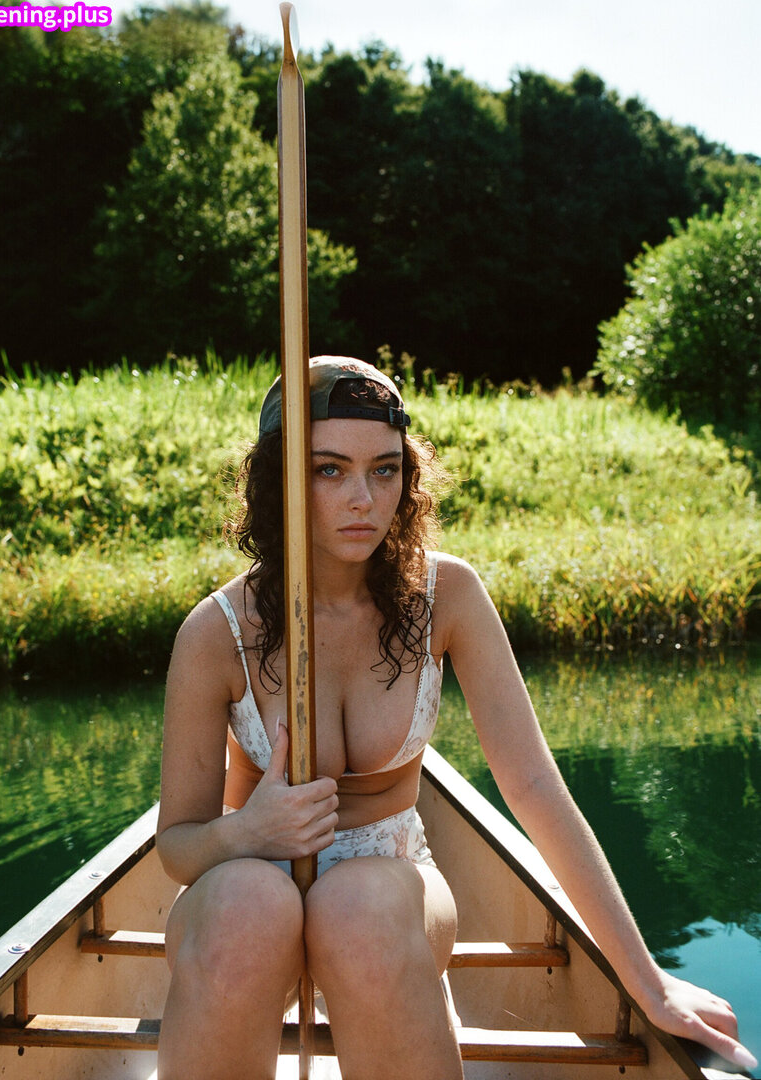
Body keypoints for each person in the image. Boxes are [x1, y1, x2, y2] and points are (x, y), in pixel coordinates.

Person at [156, 356, 756, 1080]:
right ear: (278, 481)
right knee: (246, 906)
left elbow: (534, 786)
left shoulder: (447, 597)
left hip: (390, 887)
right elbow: (178, 847)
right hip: (247, 881)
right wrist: (249, 833)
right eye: (329, 470)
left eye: (384, 470)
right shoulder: (217, 631)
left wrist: (648, 982)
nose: (363, 499)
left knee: (360, 909)